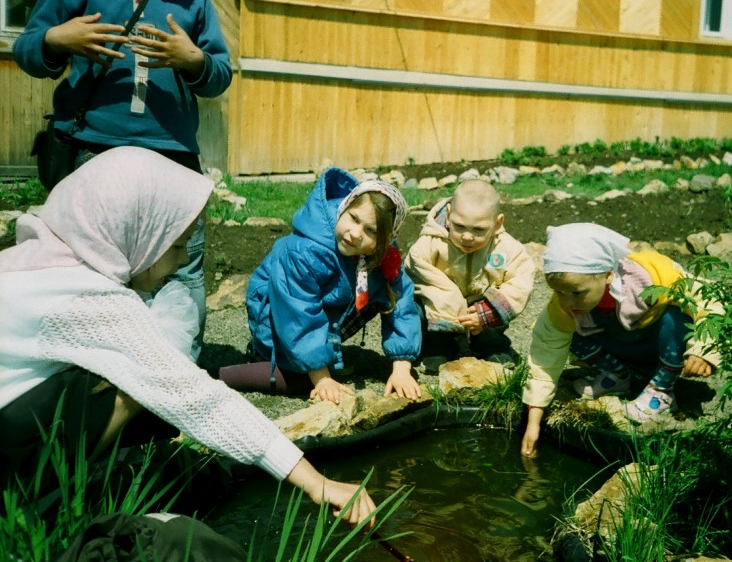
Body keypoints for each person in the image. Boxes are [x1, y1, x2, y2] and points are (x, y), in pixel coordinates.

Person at [0, 147, 376, 526]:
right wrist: (315, 482)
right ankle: (42, 503)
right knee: (143, 382)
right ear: (136, 231)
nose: (183, 261)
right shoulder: (86, 299)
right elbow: (198, 398)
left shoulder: (39, 260)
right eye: (177, 246)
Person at [13, 0, 232, 360]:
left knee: (181, 268)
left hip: (171, 155)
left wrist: (193, 59)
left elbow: (219, 76)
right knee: (86, 262)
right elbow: (26, 50)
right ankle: (89, 363)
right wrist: (55, 38)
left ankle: (177, 373)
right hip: (92, 148)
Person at [215, 171, 422, 403]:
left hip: (327, 309)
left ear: (385, 239)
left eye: (371, 231)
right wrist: (322, 379)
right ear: (344, 207)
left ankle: (319, 356)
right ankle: (227, 373)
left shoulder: (382, 253)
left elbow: (402, 303)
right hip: (279, 317)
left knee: (394, 292)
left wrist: (402, 369)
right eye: (353, 218)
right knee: (303, 379)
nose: (355, 234)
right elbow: (299, 315)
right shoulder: (303, 252)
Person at [520, 223, 721, 457]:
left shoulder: (655, 277)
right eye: (559, 293)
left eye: (576, 293)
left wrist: (703, 350)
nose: (568, 302)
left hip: (661, 347)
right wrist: (534, 421)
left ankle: (661, 389)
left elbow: (710, 304)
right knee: (563, 332)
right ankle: (618, 376)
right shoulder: (564, 305)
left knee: (675, 315)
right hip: (623, 347)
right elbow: (546, 355)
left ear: (608, 276)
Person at [404, 179, 535, 369]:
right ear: (448, 215)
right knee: (421, 310)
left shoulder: (506, 248)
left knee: (492, 322)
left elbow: (521, 279)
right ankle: (440, 348)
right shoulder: (430, 243)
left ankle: (492, 347)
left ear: (497, 223)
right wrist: (447, 301)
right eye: (459, 226)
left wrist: (487, 312)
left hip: (481, 303)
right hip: (442, 303)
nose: (467, 236)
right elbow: (417, 272)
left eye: (479, 230)